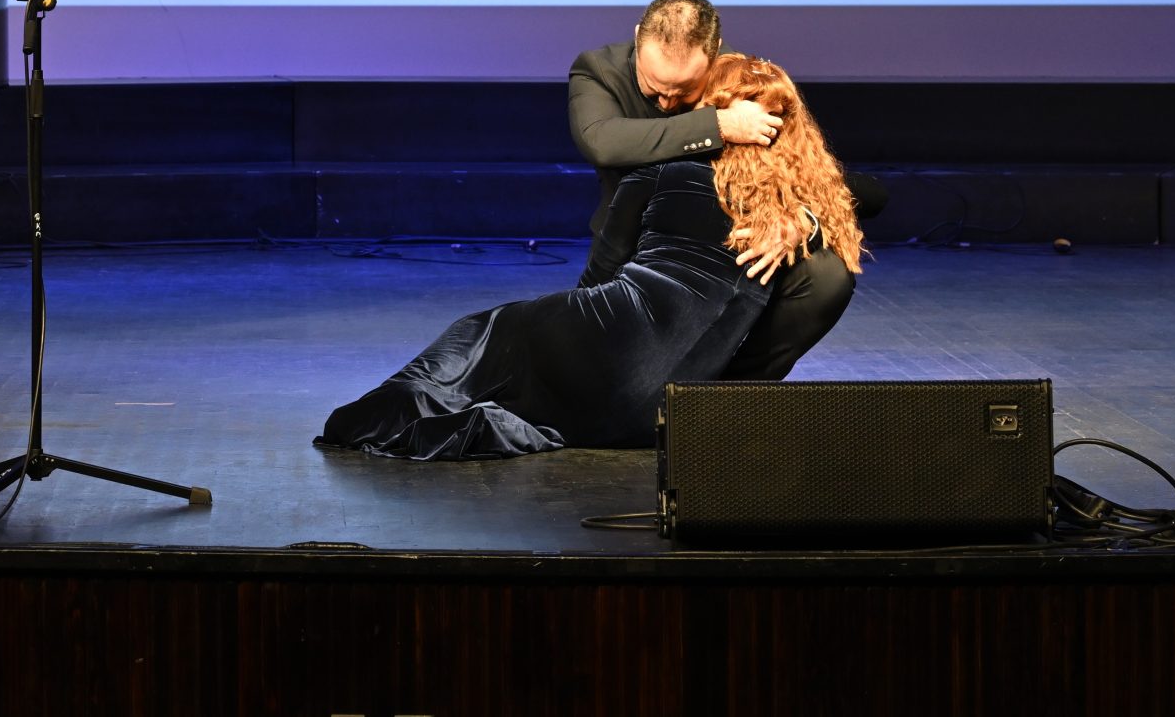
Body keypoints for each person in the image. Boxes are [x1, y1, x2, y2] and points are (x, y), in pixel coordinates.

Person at [319, 55, 857, 458]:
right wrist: (806, 221)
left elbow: (601, 270)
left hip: (598, 342)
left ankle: (365, 418)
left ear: (711, 110)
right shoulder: (800, 202)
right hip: (662, 408)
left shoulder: (661, 172)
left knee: (486, 332)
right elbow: (865, 195)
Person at [569, 0, 874, 380]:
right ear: (637, 38)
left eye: (684, 91)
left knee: (827, 276)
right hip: (636, 245)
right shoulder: (599, 70)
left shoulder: (741, 79)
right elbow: (602, 142)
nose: (667, 103)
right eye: (653, 88)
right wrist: (717, 125)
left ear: (713, 55)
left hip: (738, 246)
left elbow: (821, 175)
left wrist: (803, 221)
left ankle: (730, 395)